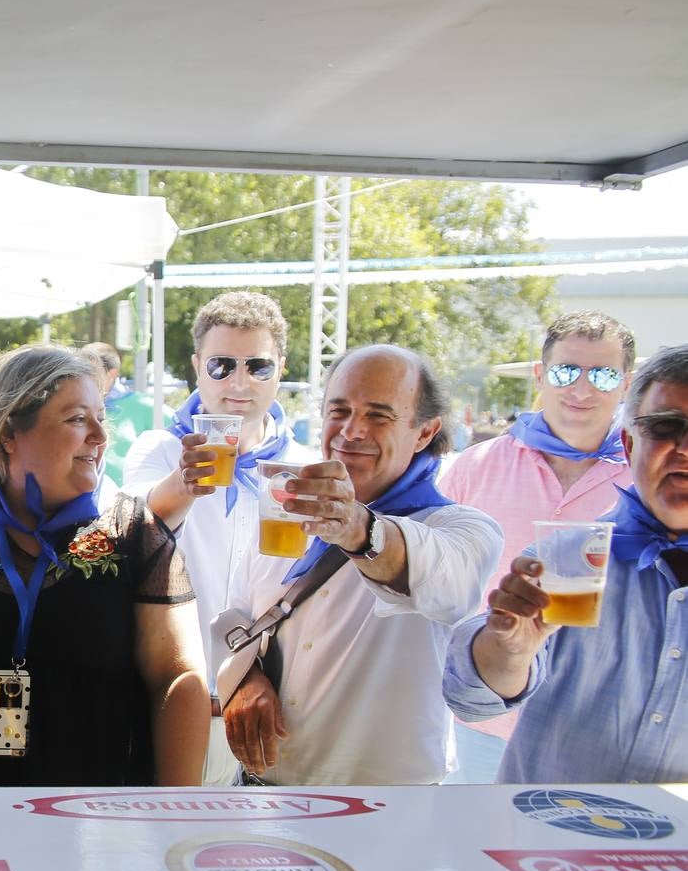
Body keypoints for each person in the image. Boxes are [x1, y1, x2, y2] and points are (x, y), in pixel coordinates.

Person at [0, 345, 209, 786]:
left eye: (100, 419)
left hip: (88, 822)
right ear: (9, 431)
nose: (100, 437)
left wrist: (172, 816)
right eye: (76, 419)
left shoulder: (132, 533)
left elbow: (177, 676)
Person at [221, 345, 501, 785]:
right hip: (264, 797)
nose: (352, 431)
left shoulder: (462, 529)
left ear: (425, 432)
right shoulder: (283, 508)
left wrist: (356, 526)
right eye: (340, 410)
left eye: (378, 415)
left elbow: (445, 582)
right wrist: (245, 678)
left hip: (387, 815)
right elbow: (234, 615)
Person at [444, 343, 688, 783]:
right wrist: (509, 650)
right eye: (666, 427)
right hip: (547, 840)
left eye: (602, 375)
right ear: (631, 445)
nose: (684, 449)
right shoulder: (565, 563)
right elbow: (469, 698)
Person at [122, 291, 315, 785]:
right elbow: (129, 534)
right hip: (167, 703)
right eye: (222, 365)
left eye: (259, 367)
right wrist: (183, 484)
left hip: (271, 716)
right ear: (196, 367)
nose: (240, 382)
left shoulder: (306, 468)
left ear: (281, 368)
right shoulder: (161, 450)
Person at [81, 342, 171, 487]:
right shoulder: (77, 407)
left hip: (129, 500)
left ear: (112, 374)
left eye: (90, 372)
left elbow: (179, 431)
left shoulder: (143, 405)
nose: (84, 378)